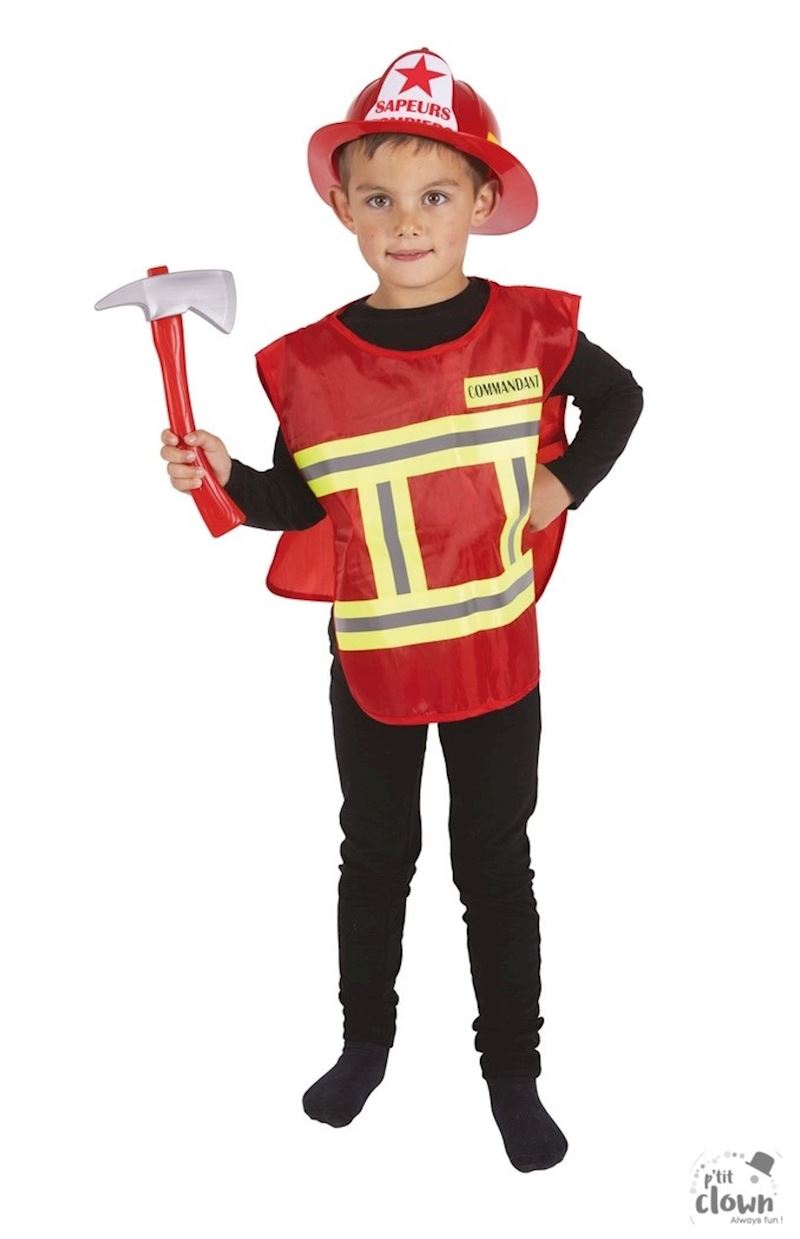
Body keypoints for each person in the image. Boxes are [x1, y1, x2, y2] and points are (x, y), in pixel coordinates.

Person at [159, 47, 643, 1173]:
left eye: (434, 195)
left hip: (494, 656)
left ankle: (512, 1071)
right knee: (376, 855)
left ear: (481, 203)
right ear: (342, 209)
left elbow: (620, 399)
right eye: (378, 199)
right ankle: (364, 1045)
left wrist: (563, 483)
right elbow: (299, 501)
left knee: (493, 865)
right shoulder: (315, 368)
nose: (407, 222)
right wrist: (225, 474)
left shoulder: (529, 334)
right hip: (373, 659)